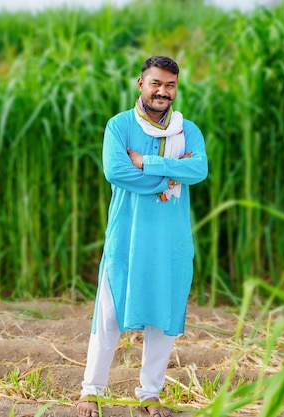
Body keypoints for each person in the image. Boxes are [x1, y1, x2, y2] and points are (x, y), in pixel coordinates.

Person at [76, 56, 208, 417]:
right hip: (128, 235)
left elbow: (199, 169)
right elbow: (117, 172)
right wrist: (169, 178)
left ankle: (150, 394)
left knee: (162, 316)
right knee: (109, 314)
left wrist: (147, 163)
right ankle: (91, 390)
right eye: (156, 83)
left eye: (170, 85)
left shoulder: (186, 130)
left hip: (171, 239)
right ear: (141, 84)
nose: (163, 92)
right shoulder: (119, 126)